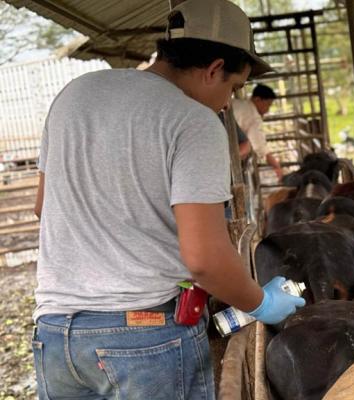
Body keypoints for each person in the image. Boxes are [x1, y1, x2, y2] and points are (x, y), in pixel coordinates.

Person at [31, 0, 304, 398]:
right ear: (213, 69)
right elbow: (204, 261)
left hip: (55, 333)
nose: (229, 102)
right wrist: (261, 302)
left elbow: (44, 207)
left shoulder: (74, 95)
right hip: (144, 338)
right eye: (232, 87)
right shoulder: (194, 121)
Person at [231, 84, 284, 178]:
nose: (267, 110)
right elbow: (260, 147)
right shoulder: (253, 116)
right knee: (245, 148)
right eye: (267, 104)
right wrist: (277, 167)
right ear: (257, 99)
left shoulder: (238, 103)